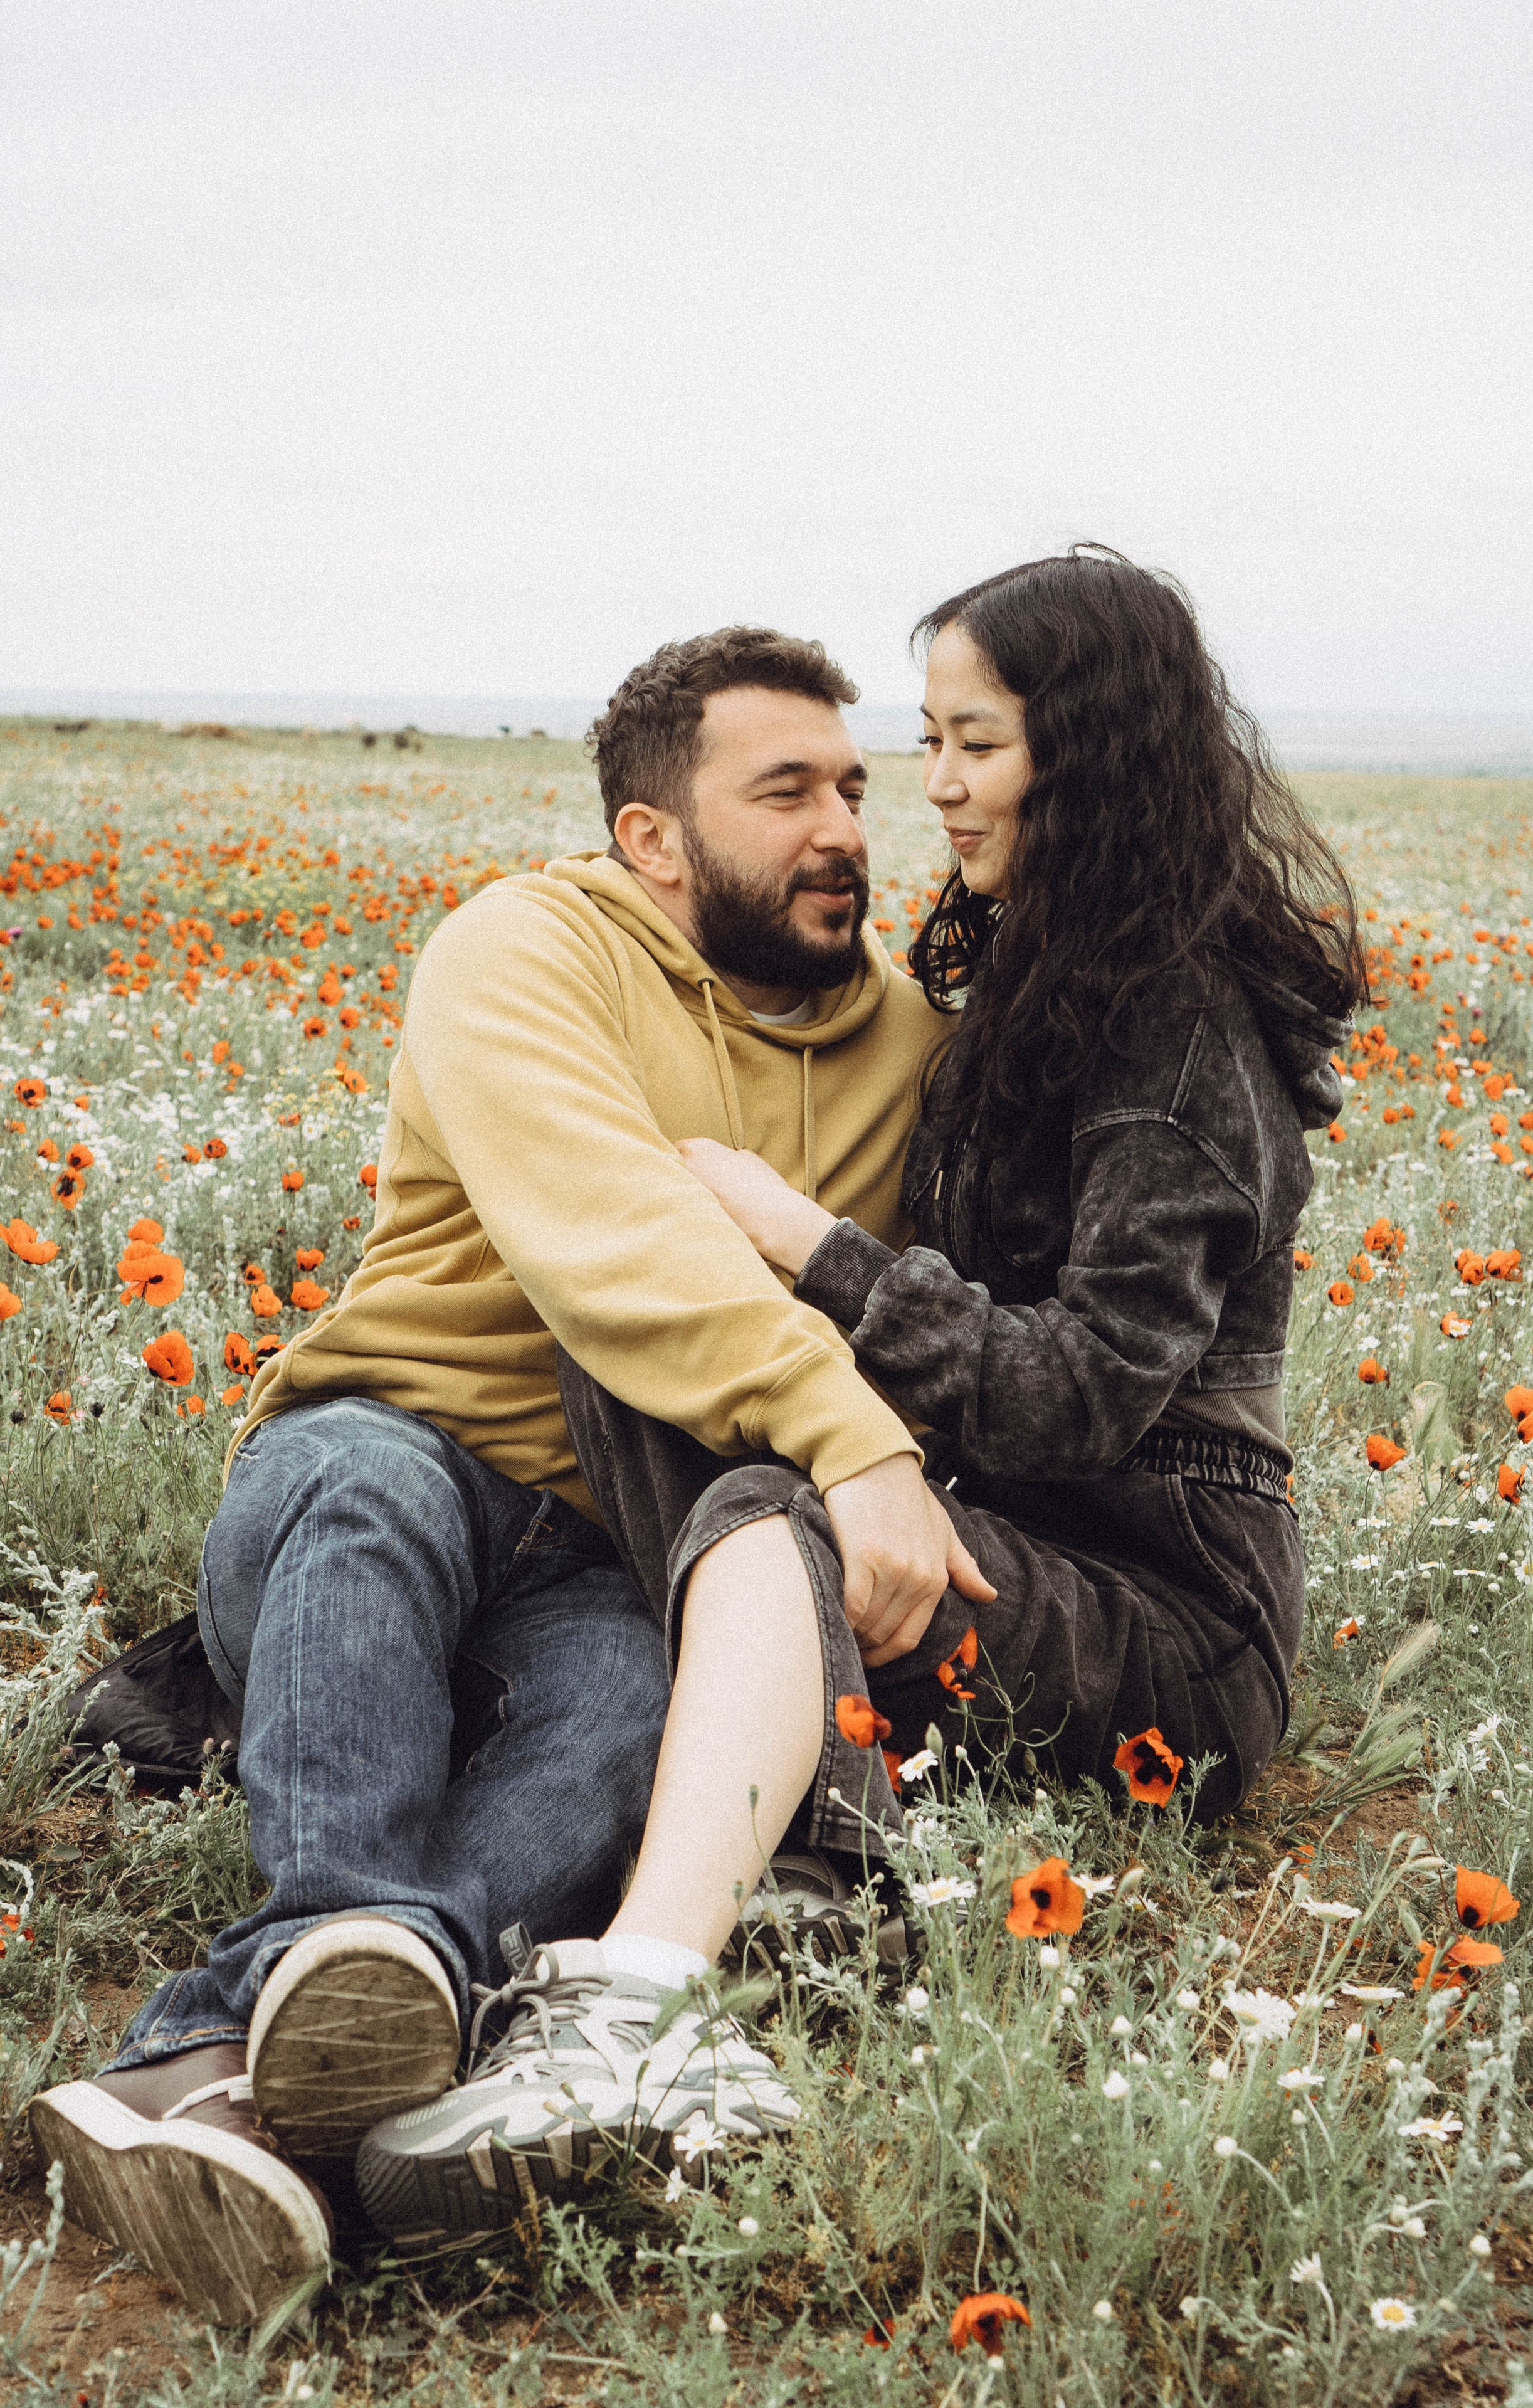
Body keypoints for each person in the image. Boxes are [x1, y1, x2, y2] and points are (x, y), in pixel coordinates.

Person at [352, 547, 1367, 2239]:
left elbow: (1083, 1403)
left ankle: (650, 2007)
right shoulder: (1035, 989)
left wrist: (808, 1242)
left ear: (1091, 752)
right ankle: (793, 1895)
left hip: (1168, 1622)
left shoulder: (1177, 1030)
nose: (936, 790)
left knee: (767, 1491)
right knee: (666, 1335)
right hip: (1009, 1551)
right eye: (934, 743)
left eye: (979, 744)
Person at [29, 626, 972, 2323]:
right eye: (786, 792)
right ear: (652, 838)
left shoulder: (906, 1044)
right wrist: (855, 1441)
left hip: (619, 1543)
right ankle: (292, 1987)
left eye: (854, 784)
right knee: (368, 1514)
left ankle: (232, 2080)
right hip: (395, 1445)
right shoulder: (522, 948)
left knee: (630, 1724)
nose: (844, 825)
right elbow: (619, 1244)